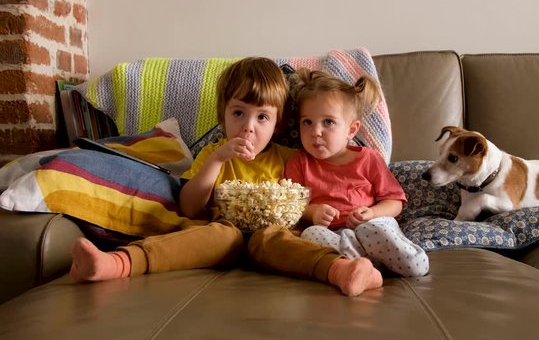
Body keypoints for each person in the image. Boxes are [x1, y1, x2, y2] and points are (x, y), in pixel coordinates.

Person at [70, 57, 383, 297]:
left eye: (262, 117)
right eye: (238, 113)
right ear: (223, 116)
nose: (249, 126)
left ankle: (344, 271)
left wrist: (317, 211)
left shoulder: (293, 159)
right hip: (222, 233)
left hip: (275, 237)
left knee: (273, 238)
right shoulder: (213, 156)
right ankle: (115, 264)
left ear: (278, 124)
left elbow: (315, 198)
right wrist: (218, 159)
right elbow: (190, 207)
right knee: (219, 234)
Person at [284, 69, 429, 277]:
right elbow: (290, 206)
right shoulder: (298, 162)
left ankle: (413, 262)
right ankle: (365, 266)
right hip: (333, 235)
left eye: (328, 122)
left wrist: (372, 213)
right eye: (307, 122)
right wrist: (312, 211)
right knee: (310, 235)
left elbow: (395, 202)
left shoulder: (368, 159)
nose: (315, 131)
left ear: (351, 130)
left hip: (372, 226)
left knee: (377, 228)